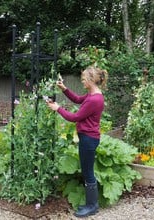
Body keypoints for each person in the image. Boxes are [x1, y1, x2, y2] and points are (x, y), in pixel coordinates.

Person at [46, 66, 108, 218]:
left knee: (88, 172)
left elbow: (74, 117)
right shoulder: (93, 95)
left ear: (91, 80)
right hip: (89, 138)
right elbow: (77, 99)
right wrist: (64, 89)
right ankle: (91, 205)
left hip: (88, 139)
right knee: (87, 171)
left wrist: (57, 108)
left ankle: (92, 206)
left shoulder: (94, 99)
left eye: (84, 79)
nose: (82, 82)